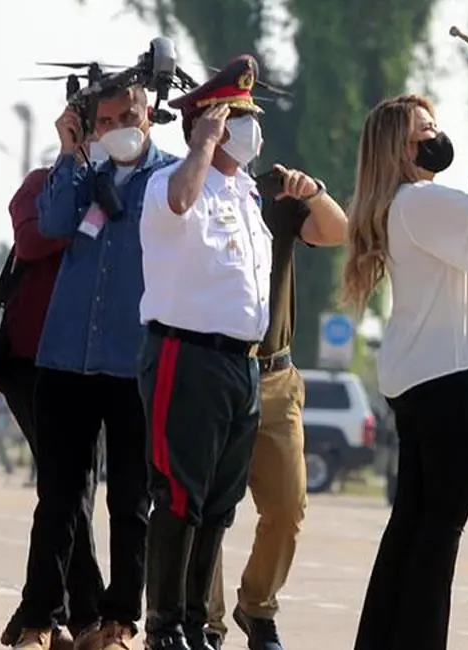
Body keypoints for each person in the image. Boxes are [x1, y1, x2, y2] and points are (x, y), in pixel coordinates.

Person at [340, 92, 468, 650]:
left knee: (414, 521)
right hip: (442, 381)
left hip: (421, 376)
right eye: (421, 130)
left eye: (433, 124)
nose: (433, 135)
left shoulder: (411, 203)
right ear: (399, 151)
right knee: (441, 524)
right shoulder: (418, 202)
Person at [13, 81, 176, 650]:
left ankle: (118, 619)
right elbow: (51, 224)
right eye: (104, 119)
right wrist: (69, 150)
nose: (117, 126)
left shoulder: (172, 179)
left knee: (131, 499)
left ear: (150, 113)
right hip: (64, 360)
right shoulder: (81, 174)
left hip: (134, 364)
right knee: (58, 497)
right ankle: (39, 617)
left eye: (127, 114)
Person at [138, 54, 284, 650]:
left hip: (242, 365)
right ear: (208, 123)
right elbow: (179, 202)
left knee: (220, 505)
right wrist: (202, 144)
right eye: (236, 114)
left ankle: (197, 623)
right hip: (187, 356)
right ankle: (165, 626)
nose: (249, 125)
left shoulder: (247, 193)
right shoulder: (171, 181)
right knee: (177, 498)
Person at [203, 132, 349, 650]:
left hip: (275, 378)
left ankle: (256, 605)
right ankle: (207, 621)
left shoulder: (272, 198)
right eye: (228, 120)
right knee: (209, 511)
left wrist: (312, 192)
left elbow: (337, 231)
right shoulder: (189, 193)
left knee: (287, 507)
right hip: (214, 372)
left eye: (247, 119)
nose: (241, 132)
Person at [0, 160, 103, 650]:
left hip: (87, 361)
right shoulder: (38, 186)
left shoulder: (114, 191)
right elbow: (32, 241)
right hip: (29, 359)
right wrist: (82, 221)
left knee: (74, 487)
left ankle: (44, 613)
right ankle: (79, 615)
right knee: (69, 485)